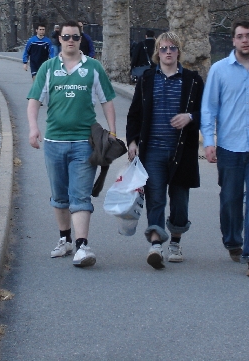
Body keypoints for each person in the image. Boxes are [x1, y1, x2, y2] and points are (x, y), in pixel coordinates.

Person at [27, 20, 117, 267]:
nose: (70, 41)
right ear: (59, 38)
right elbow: (34, 100)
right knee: (59, 195)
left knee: (80, 195)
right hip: (54, 141)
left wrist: (112, 131)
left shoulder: (93, 67)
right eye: (66, 37)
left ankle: (82, 246)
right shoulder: (48, 68)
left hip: (84, 143)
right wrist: (33, 127)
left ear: (81, 39)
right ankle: (65, 239)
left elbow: (107, 100)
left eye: (75, 37)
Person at [201, 18, 249, 278]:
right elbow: (209, 108)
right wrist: (209, 142)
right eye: (240, 36)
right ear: (233, 40)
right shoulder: (219, 70)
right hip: (229, 145)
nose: (245, 40)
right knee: (230, 200)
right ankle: (233, 240)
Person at [126, 32, 204, 269]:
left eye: (172, 48)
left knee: (179, 201)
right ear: (157, 53)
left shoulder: (192, 80)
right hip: (153, 150)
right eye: (163, 49)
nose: (168, 52)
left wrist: (190, 117)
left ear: (179, 51)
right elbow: (134, 114)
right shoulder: (147, 79)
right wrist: (132, 142)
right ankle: (156, 244)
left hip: (182, 151)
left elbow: (207, 112)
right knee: (155, 198)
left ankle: (176, 242)